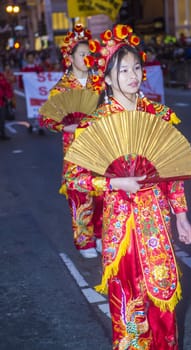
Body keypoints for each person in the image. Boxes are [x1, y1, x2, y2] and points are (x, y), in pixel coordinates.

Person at [65, 24, 191, 349]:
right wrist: (112, 182)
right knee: (127, 301)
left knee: (163, 300)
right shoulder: (96, 124)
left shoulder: (158, 115)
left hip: (155, 221)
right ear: (107, 78)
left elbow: (172, 171)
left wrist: (181, 215)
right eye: (123, 69)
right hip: (120, 225)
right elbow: (75, 178)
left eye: (136, 67)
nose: (133, 75)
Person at [41, 24, 102, 258]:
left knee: (102, 192)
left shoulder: (101, 84)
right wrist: (67, 126)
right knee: (80, 192)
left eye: (89, 54)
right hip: (75, 147)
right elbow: (47, 118)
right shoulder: (62, 88)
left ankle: (99, 233)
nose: (87, 58)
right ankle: (84, 240)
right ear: (70, 57)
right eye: (81, 55)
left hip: (101, 145)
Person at [0, 71, 13, 140]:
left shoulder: (1, 76)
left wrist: (8, 97)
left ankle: (2, 134)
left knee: (2, 119)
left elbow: (7, 87)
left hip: (1, 101)